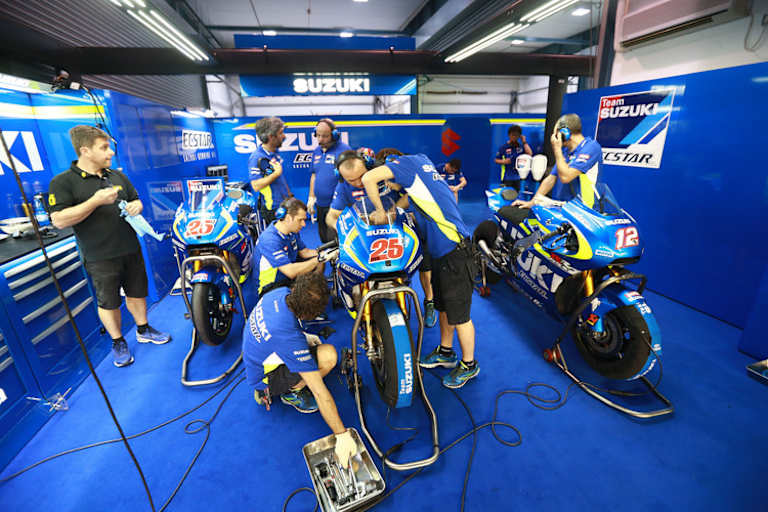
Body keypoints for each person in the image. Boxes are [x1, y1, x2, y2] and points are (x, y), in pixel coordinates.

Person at [350, 148, 479, 389]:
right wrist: (392, 208)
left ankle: (470, 365)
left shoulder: (405, 165)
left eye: (388, 179)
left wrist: (379, 211)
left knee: (460, 316)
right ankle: (446, 351)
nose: (389, 184)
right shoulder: (421, 162)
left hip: (456, 253)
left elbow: (368, 179)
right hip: (442, 252)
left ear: (389, 166)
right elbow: (409, 198)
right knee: (443, 306)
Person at [48, 125, 170, 368]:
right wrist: (94, 201)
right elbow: (59, 220)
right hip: (99, 256)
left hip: (130, 247)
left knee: (137, 292)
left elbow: (135, 198)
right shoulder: (63, 182)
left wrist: (137, 205)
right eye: (104, 148)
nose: (111, 152)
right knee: (109, 301)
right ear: (85, 151)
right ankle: (118, 341)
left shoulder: (116, 176)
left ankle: (143, 329)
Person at [242, 272, 357, 468]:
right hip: (266, 380)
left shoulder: (280, 293)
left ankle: (283, 382)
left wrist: (304, 337)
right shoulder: (289, 338)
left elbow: (281, 328)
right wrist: (341, 434)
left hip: (258, 358)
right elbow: (320, 392)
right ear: (307, 315)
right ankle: (290, 391)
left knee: (314, 348)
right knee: (329, 356)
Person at [325, 149, 438, 328]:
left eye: (361, 177)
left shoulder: (384, 172)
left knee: (423, 257)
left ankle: (429, 301)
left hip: (395, 229)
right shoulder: (342, 188)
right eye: (351, 180)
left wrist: (390, 212)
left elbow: (410, 195)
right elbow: (331, 216)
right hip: (366, 237)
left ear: (369, 167)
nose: (358, 183)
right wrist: (343, 230)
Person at [512, 113, 602, 208]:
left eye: (556, 133)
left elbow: (566, 177)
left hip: (585, 210)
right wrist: (532, 202)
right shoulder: (566, 151)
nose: (554, 137)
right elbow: (551, 178)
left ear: (565, 133)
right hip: (565, 208)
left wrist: (557, 149)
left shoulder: (591, 147)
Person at [252, 197, 322, 295]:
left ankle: (311, 288)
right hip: (270, 286)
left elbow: (304, 252)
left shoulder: (292, 231)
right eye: (300, 220)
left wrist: (326, 252)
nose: (304, 224)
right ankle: (306, 292)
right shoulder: (269, 239)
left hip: (286, 274)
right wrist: (319, 259)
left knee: (319, 262)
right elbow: (291, 271)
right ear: (288, 218)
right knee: (317, 262)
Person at [307, 118, 351, 243]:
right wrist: (311, 197)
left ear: (335, 136)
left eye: (325, 136)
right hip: (320, 204)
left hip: (337, 206)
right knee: (324, 238)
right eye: (318, 135)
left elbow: (351, 178)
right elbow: (314, 175)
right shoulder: (316, 151)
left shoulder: (344, 150)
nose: (320, 140)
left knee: (337, 240)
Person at [248, 116, 292, 225]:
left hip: (284, 204)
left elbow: (280, 179)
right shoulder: (257, 157)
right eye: (281, 133)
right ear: (271, 137)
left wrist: (290, 197)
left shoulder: (274, 152)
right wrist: (276, 174)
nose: (284, 136)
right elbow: (256, 185)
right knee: (279, 241)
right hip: (272, 210)